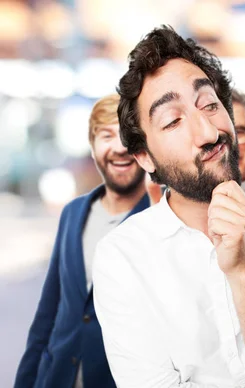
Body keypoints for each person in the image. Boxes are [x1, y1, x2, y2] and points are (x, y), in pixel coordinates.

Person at [92, 26, 245, 388]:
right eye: (172, 120)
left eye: (210, 105)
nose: (208, 132)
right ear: (144, 157)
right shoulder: (122, 257)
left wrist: (241, 271)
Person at [14, 94, 150, 388]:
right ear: (92, 147)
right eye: (106, 135)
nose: (119, 148)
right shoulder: (74, 213)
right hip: (56, 377)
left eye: (128, 136)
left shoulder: (161, 220)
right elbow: (48, 312)